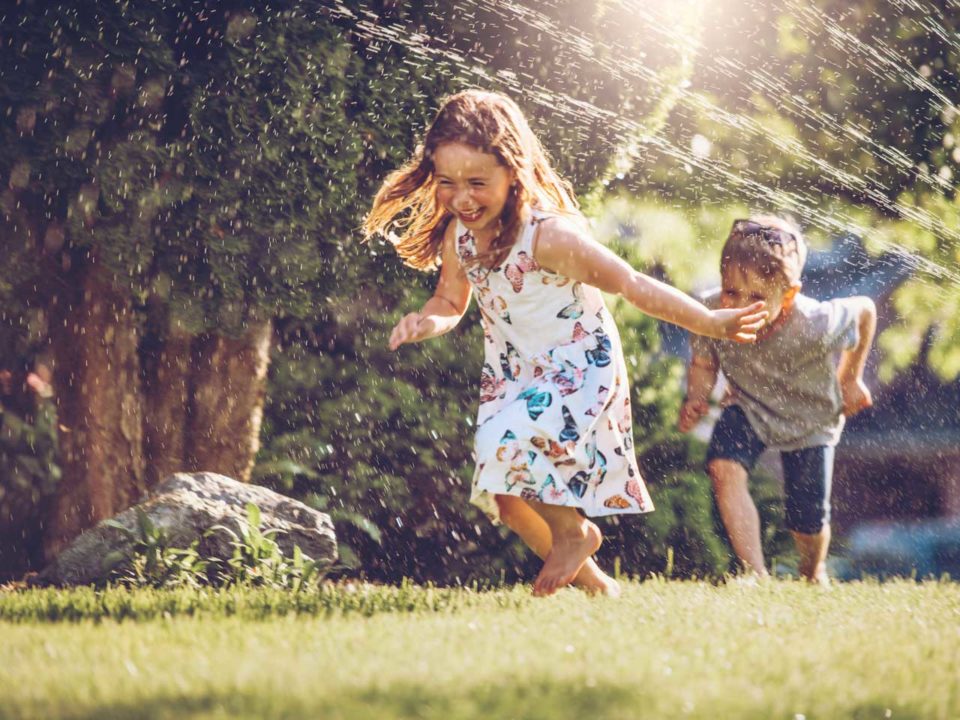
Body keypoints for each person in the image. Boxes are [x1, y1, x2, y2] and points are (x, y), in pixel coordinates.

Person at [364, 89, 767, 597]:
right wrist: (427, 322)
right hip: (515, 374)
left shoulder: (548, 237)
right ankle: (597, 586)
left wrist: (708, 320)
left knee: (503, 446)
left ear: (513, 172)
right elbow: (449, 300)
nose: (462, 198)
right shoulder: (460, 238)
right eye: (447, 183)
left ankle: (575, 533)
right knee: (507, 498)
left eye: (477, 183)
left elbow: (630, 283)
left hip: (577, 366)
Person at [679, 216, 876, 585]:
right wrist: (697, 396)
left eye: (756, 298)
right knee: (723, 468)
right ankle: (755, 574)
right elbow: (704, 362)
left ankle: (812, 572)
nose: (740, 306)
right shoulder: (711, 313)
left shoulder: (817, 321)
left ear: (788, 295)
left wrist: (851, 377)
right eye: (731, 291)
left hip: (810, 419)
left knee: (806, 519)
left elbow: (866, 309)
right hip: (749, 406)